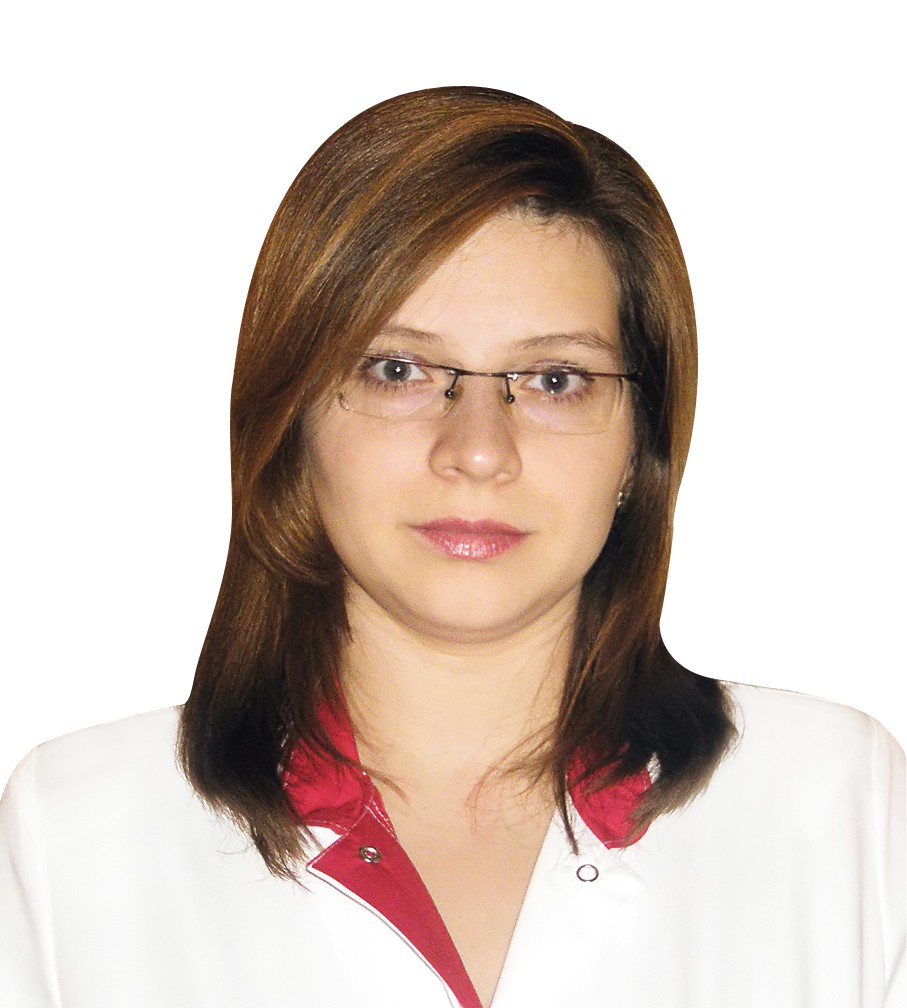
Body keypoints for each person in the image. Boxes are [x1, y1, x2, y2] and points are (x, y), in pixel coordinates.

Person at [0, 86, 903, 1008]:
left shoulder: (843, 808)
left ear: (640, 445)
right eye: (398, 370)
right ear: (291, 421)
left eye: (555, 379)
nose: (476, 451)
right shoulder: (72, 837)